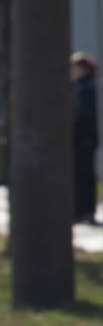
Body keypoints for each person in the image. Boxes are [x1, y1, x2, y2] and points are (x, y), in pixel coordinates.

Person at [73, 52, 98, 226]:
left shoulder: (87, 89)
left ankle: (85, 211)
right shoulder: (78, 87)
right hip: (80, 140)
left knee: (84, 177)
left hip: (84, 140)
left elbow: (85, 116)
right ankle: (80, 210)